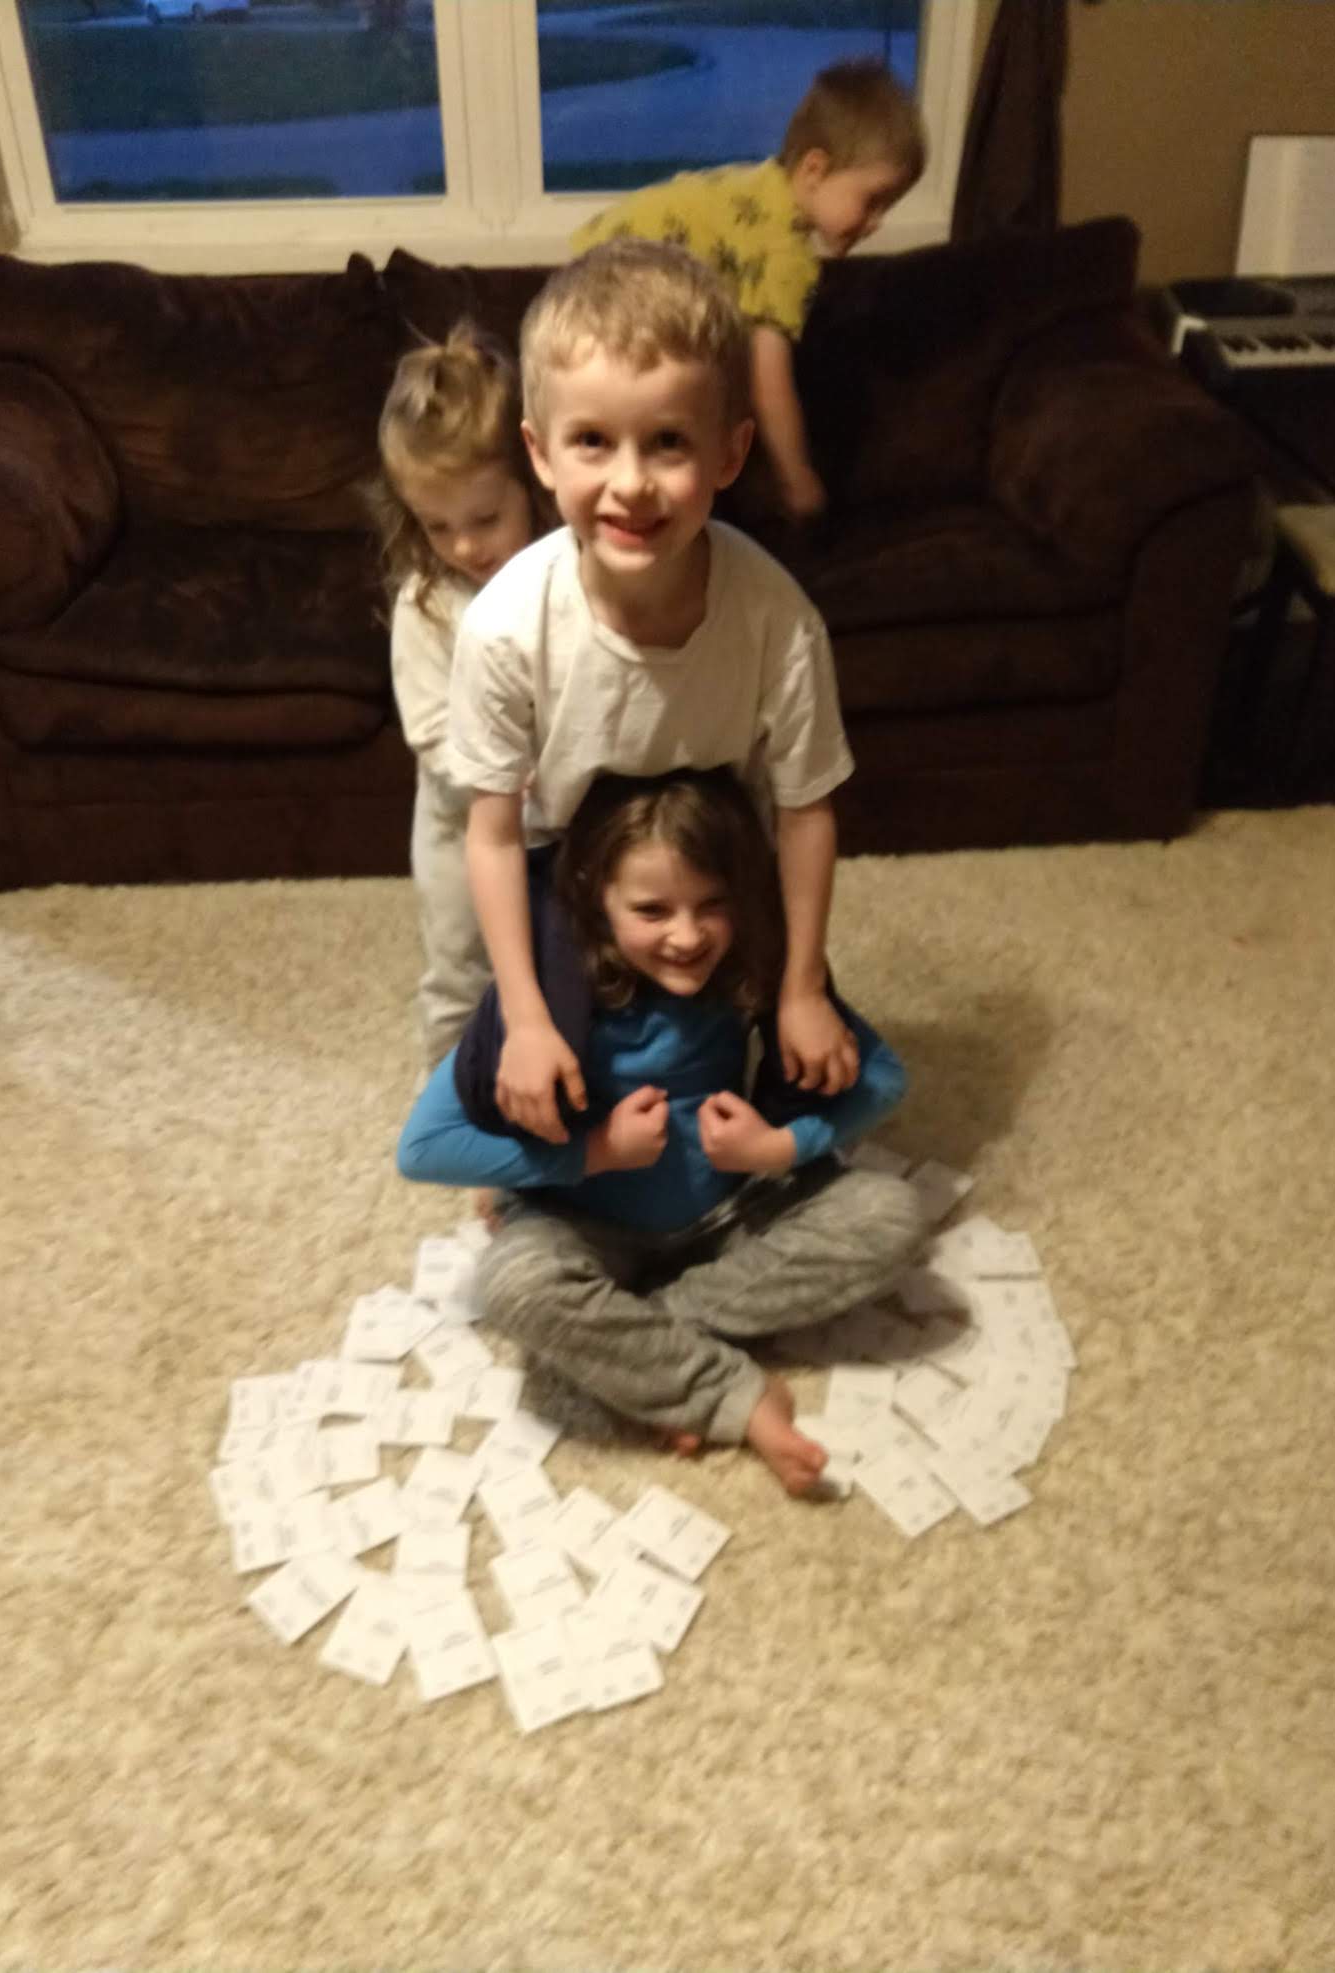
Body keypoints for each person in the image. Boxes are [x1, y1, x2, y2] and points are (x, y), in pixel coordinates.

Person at [398, 769, 923, 1497]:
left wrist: (775, 1147)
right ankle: (728, 1394)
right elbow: (422, 1148)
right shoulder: (551, 997)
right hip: (586, 1224)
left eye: (713, 905)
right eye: (652, 909)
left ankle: (642, 1339)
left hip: (727, 1214)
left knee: (889, 1213)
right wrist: (593, 1151)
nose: (686, 933)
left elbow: (883, 1080)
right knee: (514, 1282)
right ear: (596, 900)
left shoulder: (750, 966)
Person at [447, 238, 859, 1156]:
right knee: (505, 1079)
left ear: (729, 452)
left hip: (716, 856)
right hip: (571, 866)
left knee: (824, 1069)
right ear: (541, 455)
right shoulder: (507, 626)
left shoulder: (777, 619)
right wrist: (522, 1014)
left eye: (668, 442)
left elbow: (804, 813)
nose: (631, 483)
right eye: (593, 441)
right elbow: (494, 831)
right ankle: (583, 1171)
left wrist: (802, 987)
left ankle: (748, 1158)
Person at [572, 58, 925, 522]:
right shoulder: (783, 250)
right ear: (815, 169)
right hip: (612, 302)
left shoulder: (758, 188)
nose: (877, 223)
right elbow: (769, 378)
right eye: (872, 200)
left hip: (586, 280)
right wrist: (797, 477)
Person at [370, 323, 550, 1069]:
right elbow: (434, 733)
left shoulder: (565, 575)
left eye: (486, 519)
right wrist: (510, 776)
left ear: (535, 482)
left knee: (558, 967)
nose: (466, 545)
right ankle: (459, 1108)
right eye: (437, 526)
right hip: (461, 830)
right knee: (462, 971)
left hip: (566, 823)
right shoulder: (429, 605)